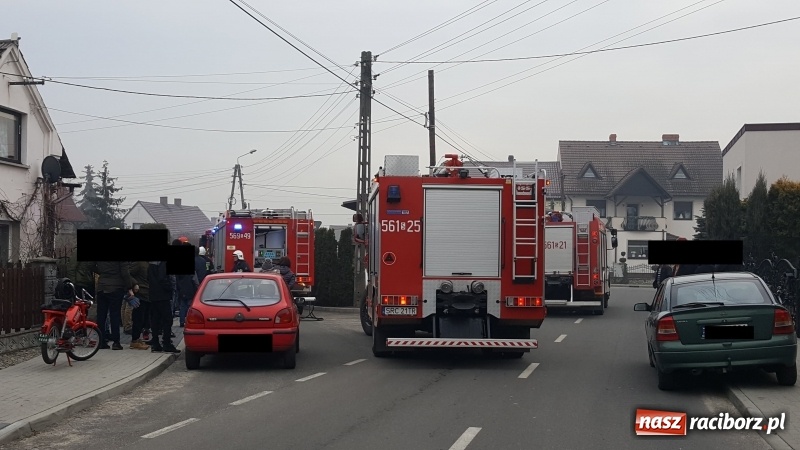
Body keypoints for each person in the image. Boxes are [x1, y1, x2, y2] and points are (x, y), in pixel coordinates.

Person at [91, 257, 137, 351]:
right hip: (116, 287)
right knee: (114, 315)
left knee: (101, 316)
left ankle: (101, 341)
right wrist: (129, 287)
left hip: (102, 286)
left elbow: (92, 266)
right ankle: (116, 342)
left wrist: (104, 273)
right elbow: (125, 272)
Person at [147, 259, 181, 354]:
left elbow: (148, 277)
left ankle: (155, 343)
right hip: (163, 295)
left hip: (153, 294)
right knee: (168, 319)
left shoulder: (151, 263)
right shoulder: (163, 263)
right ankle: (166, 343)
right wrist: (169, 288)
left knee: (155, 319)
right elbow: (163, 278)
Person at [128, 261, 151, 350]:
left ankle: (137, 339)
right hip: (141, 293)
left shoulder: (147, 263)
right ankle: (134, 340)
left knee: (144, 318)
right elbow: (128, 273)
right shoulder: (139, 262)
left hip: (147, 293)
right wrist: (134, 284)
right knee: (138, 318)